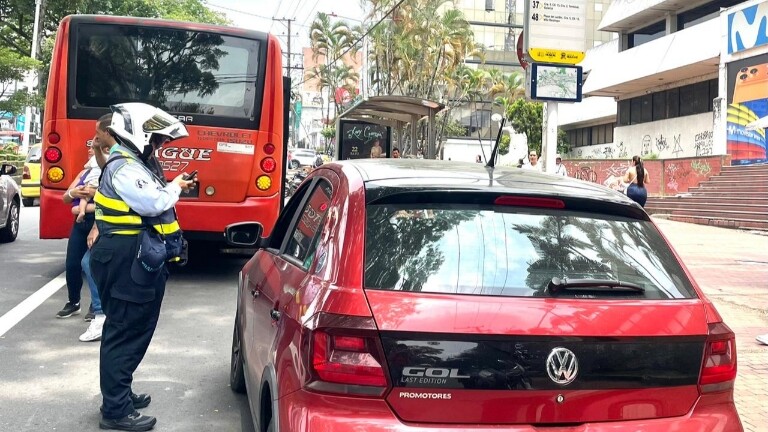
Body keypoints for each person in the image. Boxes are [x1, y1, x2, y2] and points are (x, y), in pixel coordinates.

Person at [89, 103, 195, 431]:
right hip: (123, 258)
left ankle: (119, 394)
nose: (157, 146)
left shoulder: (132, 162)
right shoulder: (124, 167)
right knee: (125, 329)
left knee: (134, 326)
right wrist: (175, 186)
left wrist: (172, 186)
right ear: (138, 134)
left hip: (128, 256)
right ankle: (116, 410)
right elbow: (154, 202)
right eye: (155, 140)